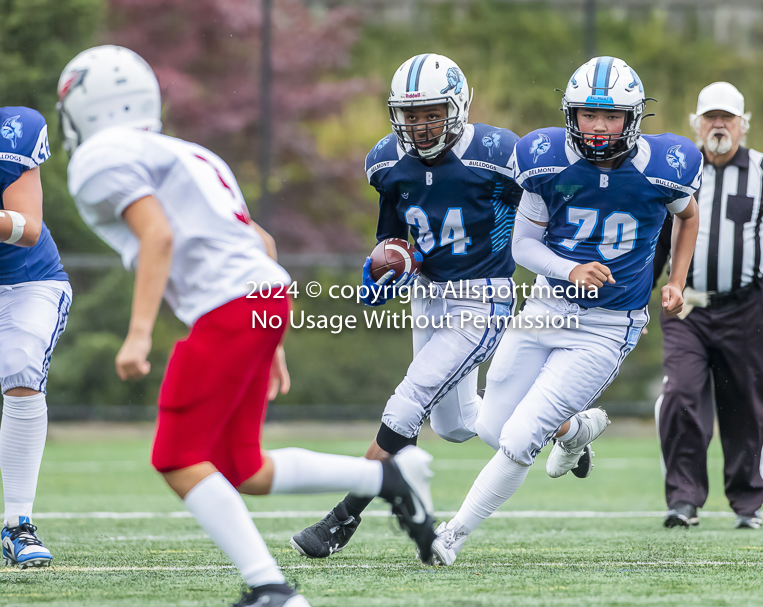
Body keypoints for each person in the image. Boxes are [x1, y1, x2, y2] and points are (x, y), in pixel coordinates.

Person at [58, 45, 435, 607]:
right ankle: (387, 479)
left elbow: (158, 236)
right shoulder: (190, 154)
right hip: (260, 298)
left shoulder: (99, 157)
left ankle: (270, 589)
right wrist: (268, 334)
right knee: (244, 468)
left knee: (177, 457)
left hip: (233, 307)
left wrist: (138, 334)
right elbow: (261, 242)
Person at [428, 56, 702, 566]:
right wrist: (567, 269)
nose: (598, 127)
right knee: (490, 426)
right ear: (570, 115)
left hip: (605, 326)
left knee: (518, 436)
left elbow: (688, 216)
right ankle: (577, 430)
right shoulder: (546, 157)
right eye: (588, 115)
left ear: (633, 118)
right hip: (545, 309)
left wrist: (677, 279)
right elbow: (523, 247)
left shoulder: (664, 167)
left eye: (611, 117)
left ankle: (452, 534)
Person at [291, 53, 526, 559]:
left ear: (457, 108)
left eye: (432, 113)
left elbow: (542, 207)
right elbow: (394, 239)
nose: (421, 126)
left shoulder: (497, 152)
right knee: (457, 424)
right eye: (411, 114)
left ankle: (341, 519)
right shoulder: (386, 163)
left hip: (481, 297)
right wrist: (385, 269)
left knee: (409, 400)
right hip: (429, 297)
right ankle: (564, 426)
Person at [652, 82, 763, 530]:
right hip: (687, 307)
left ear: (743, 124)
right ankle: (683, 500)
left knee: (748, 404)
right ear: (696, 124)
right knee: (680, 395)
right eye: (710, 117)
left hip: (747, 309)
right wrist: (632, 302)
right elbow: (659, 242)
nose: (718, 124)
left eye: (727, 117)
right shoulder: (677, 170)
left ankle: (746, 502)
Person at [0, 107, 71, 569]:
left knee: (22, 364)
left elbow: (29, 228)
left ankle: (17, 524)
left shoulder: (13, 128)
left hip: (27, 281)